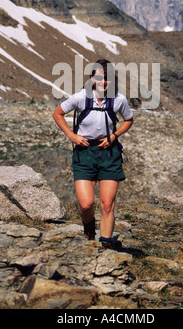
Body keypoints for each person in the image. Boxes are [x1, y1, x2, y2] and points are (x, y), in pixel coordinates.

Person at [52, 59, 133, 249]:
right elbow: (57, 113)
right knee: (86, 204)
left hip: (109, 152)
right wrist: (72, 136)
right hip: (84, 152)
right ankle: (89, 228)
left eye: (108, 79)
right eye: (100, 78)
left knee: (107, 204)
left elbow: (128, 120)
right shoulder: (80, 97)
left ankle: (105, 245)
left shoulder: (119, 99)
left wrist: (114, 136)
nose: (103, 82)